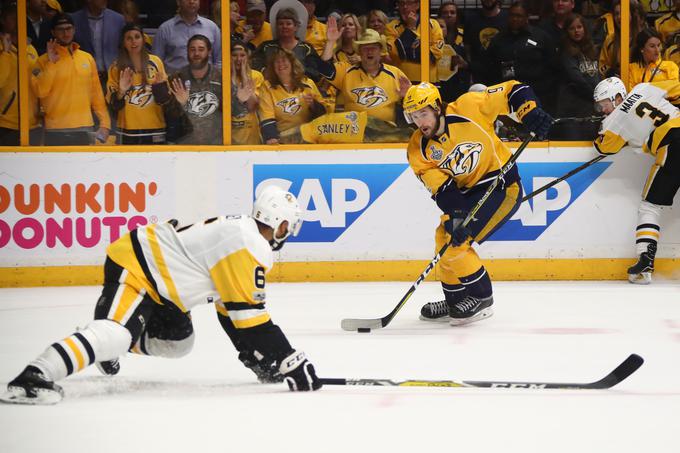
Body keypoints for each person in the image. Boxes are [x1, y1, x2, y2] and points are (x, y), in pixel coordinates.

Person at [0, 186, 322, 405]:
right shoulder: (247, 243)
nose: (288, 233)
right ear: (277, 223)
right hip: (138, 267)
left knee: (180, 341)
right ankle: (34, 376)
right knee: (114, 334)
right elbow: (249, 318)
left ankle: (109, 340)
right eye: (287, 226)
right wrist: (288, 359)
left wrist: (253, 358)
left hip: (163, 292)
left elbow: (229, 310)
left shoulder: (243, 236)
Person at [402, 80, 553, 324]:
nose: (420, 122)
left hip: (502, 186)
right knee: (444, 237)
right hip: (467, 195)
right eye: (413, 116)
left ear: (437, 108)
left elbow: (513, 89)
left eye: (423, 114)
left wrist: (529, 111)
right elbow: (442, 188)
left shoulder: (468, 107)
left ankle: (481, 297)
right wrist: (457, 213)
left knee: (456, 247)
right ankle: (455, 301)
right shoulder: (417, 149)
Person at [593, 77, 680, 284]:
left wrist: (600, 128)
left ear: (617, 97)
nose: (603, 110)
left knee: (650, 206)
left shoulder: (614, 121)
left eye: (604, 104)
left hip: (672, 147)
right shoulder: (644, 87)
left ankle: (645, 261)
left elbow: (604, 147)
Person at [31, 13, 110, 146]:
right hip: (55, 129)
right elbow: (40, 92)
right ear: (53, 32)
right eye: (61, 29)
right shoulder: (42, 61)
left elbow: (96, 94)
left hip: (84, 127)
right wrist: (51, 63)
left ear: (74, 29)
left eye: (68, 28)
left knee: (84, 167)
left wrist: (105, 123)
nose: (65, 33)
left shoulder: (87, 58)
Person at [319, 24, 411, 129]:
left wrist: (406, 98)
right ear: (359, 52)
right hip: (354, 132)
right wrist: (331, 42)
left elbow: (415, 106)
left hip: (386, 133)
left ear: (381, 51)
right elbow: (324, 68)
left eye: (374, 48)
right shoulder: (346, 71)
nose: (370, 51)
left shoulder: (395, 73)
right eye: (365, 48)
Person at [485, 2, 558, 116]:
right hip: (506, 98)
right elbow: (489, 67)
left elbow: (553, 66)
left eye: (519, 16)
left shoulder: (541, 37)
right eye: (512, 15)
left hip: (537, 96)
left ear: (526, 17)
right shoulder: (498, 39)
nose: (515, 19)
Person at [106, 23, 169, 144]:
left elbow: (165, 100)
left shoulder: (155, 62)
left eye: (137, 37)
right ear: (123, 42)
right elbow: (112, 106)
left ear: (143, 39)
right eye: (129, 38)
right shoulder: (116, 67)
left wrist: (160, 88)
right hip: (127, 130)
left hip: (155, 128)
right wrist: (121, 91)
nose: (133, 41)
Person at [258, 48, 326, 144]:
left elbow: (324, 115)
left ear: (292, 63)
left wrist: (314, 105)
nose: (280, 64)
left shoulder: (308, 83)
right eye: (276, 62)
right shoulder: (267, 87)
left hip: (309, 137)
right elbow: (266, 116)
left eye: (284, 60)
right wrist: (271, 138)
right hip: (282, 139)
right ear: (272, 67)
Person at [166, 34, 223, 144]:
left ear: (209, 52)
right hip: (185, 145)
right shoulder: (177, 78)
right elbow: (169, 116)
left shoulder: (221, 77)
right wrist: (182, 104)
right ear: (187, 51)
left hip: (217, 145)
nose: (196, 53)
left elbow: (234, 110)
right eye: (192, 49)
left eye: (201, 49)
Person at [251, 1, 325, 83]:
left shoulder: (306, 48)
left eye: (288, 24)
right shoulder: (266, 47)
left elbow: (315, 72)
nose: (284, 27)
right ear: (276, 26)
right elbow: (254, 66)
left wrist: (293, 73)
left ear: (296, 27)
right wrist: (269, 72)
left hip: (300, 88)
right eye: (281, 24)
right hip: (271, 88)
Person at [553, 13, 601, 139]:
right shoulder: (566, 52)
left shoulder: (592, 50)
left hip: (590, 109)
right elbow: (577, 79)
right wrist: (597, 96)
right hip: (572, 111)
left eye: (579, 27)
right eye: (572, 28)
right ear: (567, 31)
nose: (576, 31)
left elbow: (597, 75)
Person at [0, 3, 41, 146]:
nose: (18, 20)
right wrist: (5, 53)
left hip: (32, 122)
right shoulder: (1, 48)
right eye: (13, 17)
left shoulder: (30, 48)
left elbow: (37, 81)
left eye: (21, 17)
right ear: (3, 20)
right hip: (6, 123)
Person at [152, 0, 221, 75]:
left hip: (207, 83)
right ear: (178, 2)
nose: (191, 1)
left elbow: (219, 61)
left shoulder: (212, 27)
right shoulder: (165, 29)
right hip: (173, 82)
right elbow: (155, 63)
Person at [385, 0, 444, 83]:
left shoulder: (433, 25)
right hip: (403, 83)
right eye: (401, 3)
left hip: (429, 82)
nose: (405, 7)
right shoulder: (391, 27)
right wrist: (410, 28)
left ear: (417, 5)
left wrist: (407, 52)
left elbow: (433, 56)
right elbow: (397, 54)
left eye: (409, 3)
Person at [71, 0, 126, 84]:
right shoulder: (75, 19)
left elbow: (123, 48)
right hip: (83, 77)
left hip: (112, 77)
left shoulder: (118, 19)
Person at [463, 0, 507, 86]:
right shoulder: (471, 19)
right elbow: (468, 48)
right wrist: (470, 73)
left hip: (501, 73)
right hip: (478, 74)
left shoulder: (507, 18)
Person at [231, 40, 264, 145]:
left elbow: (253, 106)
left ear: (247, 57)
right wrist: (232, 77)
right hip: (230, 138)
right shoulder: (221, 76)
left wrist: (244, 76)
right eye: (234, 55)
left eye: (242, 55)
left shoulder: (256, 76)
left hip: (251, 138)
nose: (238, 59)